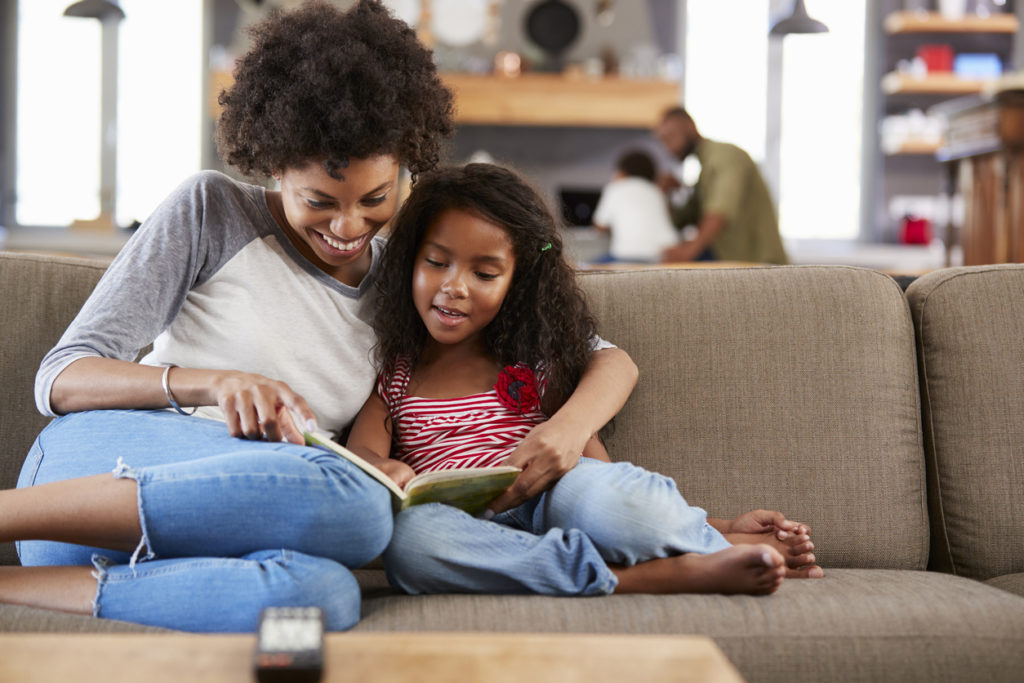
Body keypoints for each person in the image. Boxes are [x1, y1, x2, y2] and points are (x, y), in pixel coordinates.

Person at [0, 2, 637, 633]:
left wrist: (567, 430)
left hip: (244, 516)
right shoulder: (212, 211)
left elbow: (604, 357)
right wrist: (210, 383)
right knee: (356, 505)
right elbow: (59, 378)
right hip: (87, 480)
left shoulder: (412, 281)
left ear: (406, 169)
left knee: (326, 595)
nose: (347, 227)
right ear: (273, 164)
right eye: (319, 201)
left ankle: (16, 588)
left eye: (375, 200)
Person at [345, 163, 823, 598]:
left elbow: (599, 477)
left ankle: (711, 540)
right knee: (411, 544)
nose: (454, 286)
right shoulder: (396, 375)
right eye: (436, 263)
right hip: (465, 527)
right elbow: (364, 451)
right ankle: (643, 576)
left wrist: (718, 520)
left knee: (611, 503)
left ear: (517, 281)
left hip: (554, 499)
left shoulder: (530, 361)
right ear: (409, 260)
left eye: (485, 273)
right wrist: (382, 469)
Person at [655, 107, 789, 265]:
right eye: (663, 141)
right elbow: (680, 221)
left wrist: (688, 251)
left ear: (689, 126)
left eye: (670, 137)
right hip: (734, 263)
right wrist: (665, 194)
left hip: (761, 265)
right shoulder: (704, 173)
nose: (668, 147)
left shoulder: (725, 156)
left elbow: (720, 210)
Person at [590, 149, 680, 264]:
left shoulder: (615, 188)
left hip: (628, 254)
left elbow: (599, 227)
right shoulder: (655, 190)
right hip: (665, 253)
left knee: (586, 266)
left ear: (622, 173)